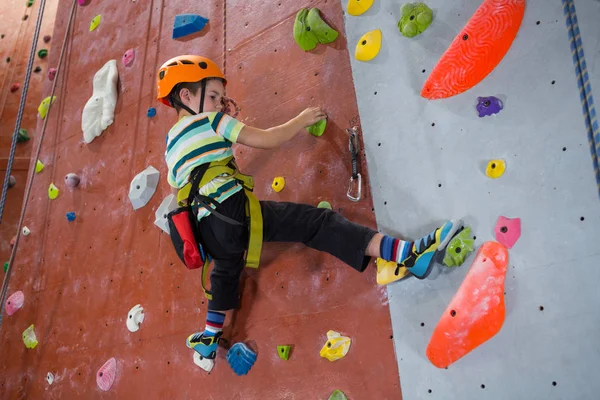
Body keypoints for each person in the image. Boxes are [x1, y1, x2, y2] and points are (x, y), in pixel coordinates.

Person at [156, 55, 463, 363]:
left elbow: (176, 192)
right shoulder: (210, 121)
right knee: (316, 222)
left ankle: (210, 336)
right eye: (212, 96)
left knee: (224, 273)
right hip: (233, 211)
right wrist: (301, 119)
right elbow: (265, 138)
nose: (219, 104)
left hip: (207, 232)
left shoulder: (170, 145)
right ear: (186, 96)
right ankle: (405, 254)